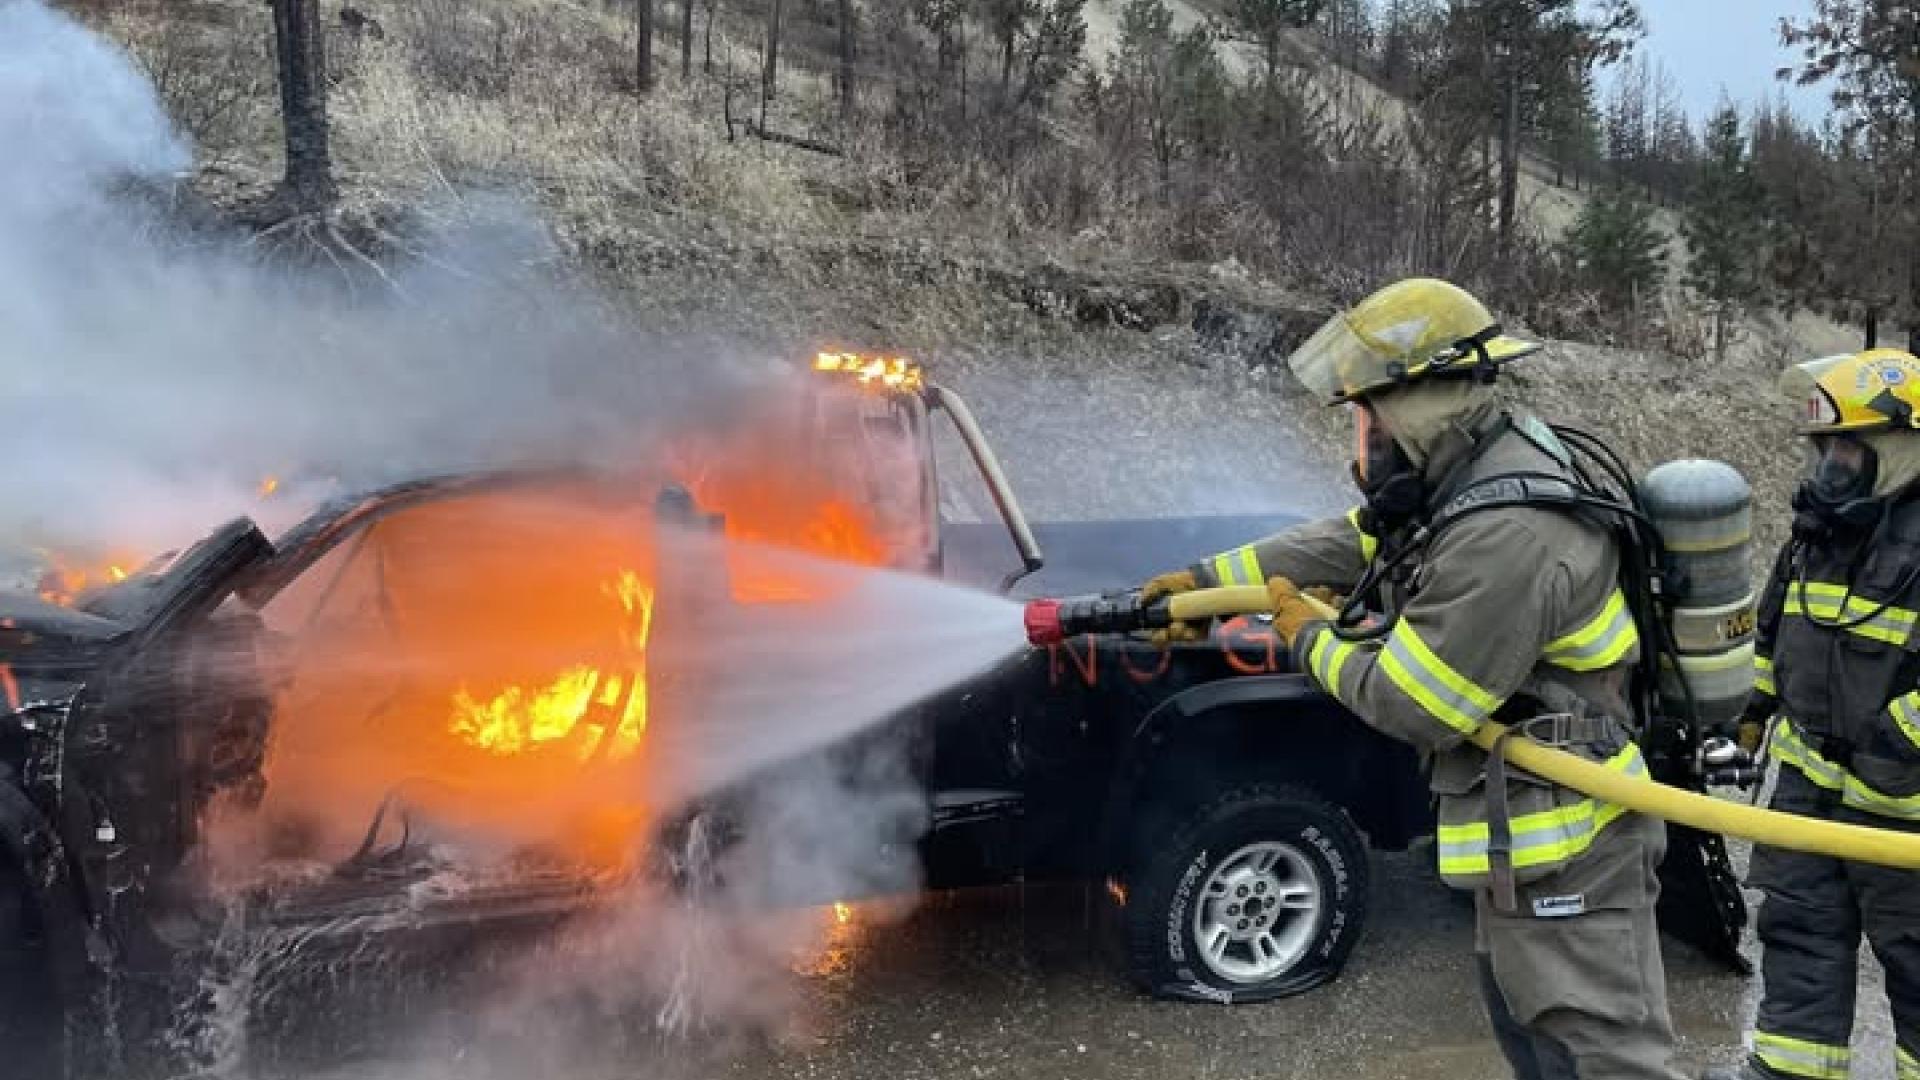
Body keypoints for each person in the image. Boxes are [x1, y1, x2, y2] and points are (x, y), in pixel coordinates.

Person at [1143, 277, 1680, 1080]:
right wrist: (1203, 580)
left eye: (1368, 416)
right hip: (1524, 838)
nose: (1362, 440)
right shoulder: (1464, 478)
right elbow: (1352, 542)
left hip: (1573, 843)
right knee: (1540, 1046)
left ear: (1423, 407)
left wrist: (1308, 637)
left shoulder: (1506, 533)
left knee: (1604, 1058)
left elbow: (1412, 702)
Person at [1700, 349, 1920, 1080]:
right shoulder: (1818, 534)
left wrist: (1895, 743)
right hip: (1807, 793)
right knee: (1798, 937)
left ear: (1900, 447)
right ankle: (1790, 1072)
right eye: (1823, 448)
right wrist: (1749, 716)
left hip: (1904, 811)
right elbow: (1774, 637)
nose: (1829, 465)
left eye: (1847, 447)